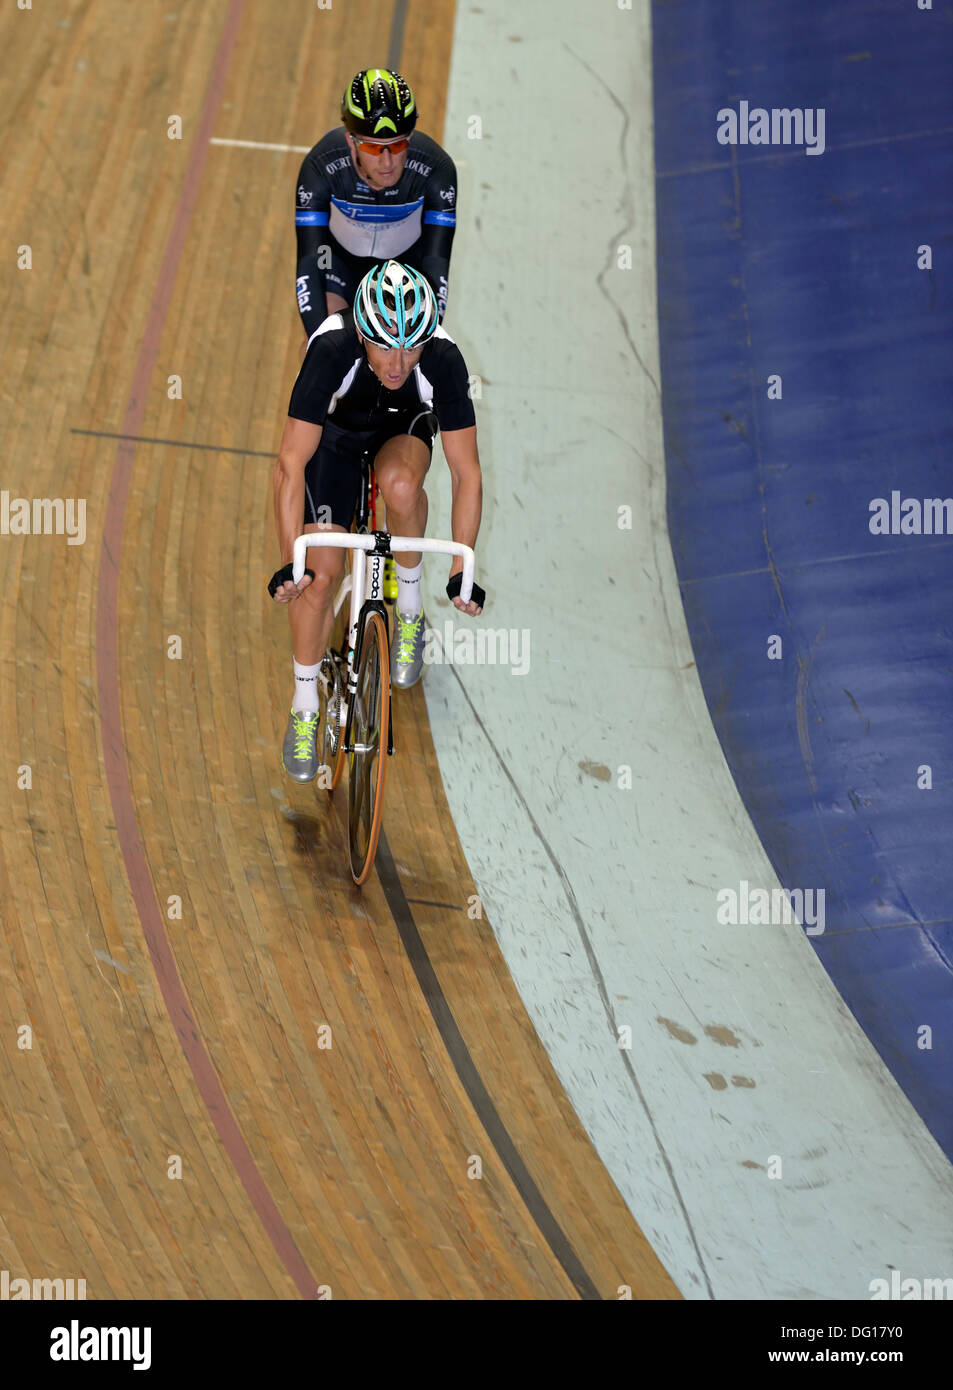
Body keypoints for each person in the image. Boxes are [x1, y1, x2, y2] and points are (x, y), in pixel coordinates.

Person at [269, 260, 485, 783]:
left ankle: (407, 603)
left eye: (410, 347)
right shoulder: (331, 351)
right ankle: (303, 707)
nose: (398, 362)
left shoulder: (442, 359)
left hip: (402, 433)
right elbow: (290, 465)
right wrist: (289, 563)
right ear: (363, 332)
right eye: (386, 346)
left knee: (404, 486)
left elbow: (467, 473)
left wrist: (463, 567)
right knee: (320, 575)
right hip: (336, 440)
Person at [294, 69, 457, 341]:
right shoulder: (322, 165)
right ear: (351, 141)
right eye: (372, 148)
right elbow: (311, 260)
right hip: (338, 263)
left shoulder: (436, 169)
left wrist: (422, 337)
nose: (386, 162)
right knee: (332, 343)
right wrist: (318, 345)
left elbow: (436, 263)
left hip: (406, 269)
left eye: (397, 146)